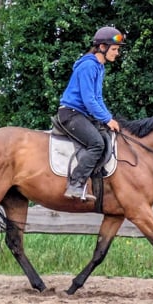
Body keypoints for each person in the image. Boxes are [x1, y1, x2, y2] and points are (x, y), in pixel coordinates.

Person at [56, 26, 125, 201]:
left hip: (82, 115)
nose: (117, 53)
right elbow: (89, 100)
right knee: (96, 143)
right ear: (102, 47)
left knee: (105, 137)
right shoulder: (88, 66)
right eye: (115, 49)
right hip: (70, 114)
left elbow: (98, 98)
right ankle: (75, 184)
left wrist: (109, 118)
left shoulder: (99, 67)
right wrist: (106, 118)